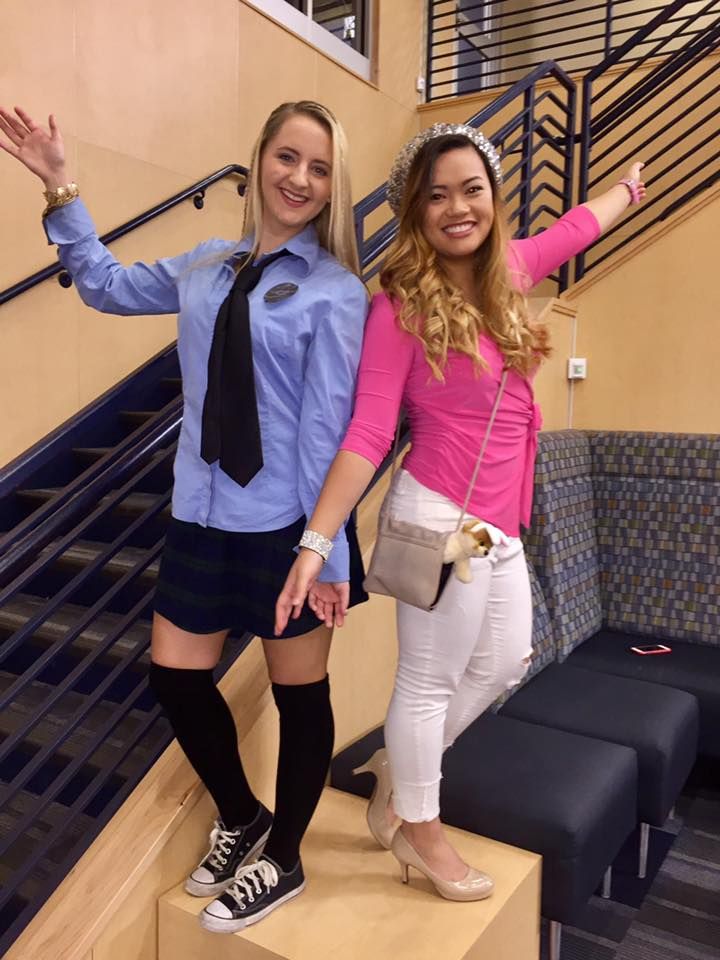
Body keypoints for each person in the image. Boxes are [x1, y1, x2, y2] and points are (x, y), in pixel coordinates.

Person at [0, 100, 369, 932]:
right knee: (174, 677)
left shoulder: (338, 292)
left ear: (332, 184)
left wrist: (331, 554)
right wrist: (61, 184)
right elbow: (101, 285)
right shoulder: (207, 264)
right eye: (287, 157)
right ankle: (243, 817)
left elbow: (330, 431)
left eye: (318, 168)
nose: (299, 180)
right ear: (260, 157)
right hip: (200, 515)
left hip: (286, 528)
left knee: (300, 693)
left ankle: (285, 858)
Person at [275, 122, 647, 901]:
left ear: (493, 199)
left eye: (470, 190)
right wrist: (317, 540)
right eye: (436, 195)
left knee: (507, 660)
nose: (456, 208)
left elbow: (575, 226)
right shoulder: (398, 308)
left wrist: (626, 191)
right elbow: (369, 430)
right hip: (443, 517)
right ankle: (420, 830)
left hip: (497, 525)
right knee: (427, 681)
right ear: (416, 210)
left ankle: (401, 776)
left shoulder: (509, 271)